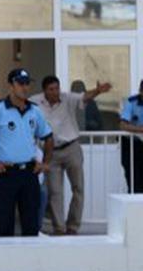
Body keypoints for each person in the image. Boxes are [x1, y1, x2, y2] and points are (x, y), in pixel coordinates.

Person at [0, 69, 54, 237]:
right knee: (4, 224)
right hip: (6, 173)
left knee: (31, 224)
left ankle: (29, 262)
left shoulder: (35, 110)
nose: (24, 88)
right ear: (11, 85)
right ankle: (3, 262)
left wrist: (45, 162)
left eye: (27, 83)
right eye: (20, 83)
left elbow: (49, 137)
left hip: (29, 172)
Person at [32, 76, 110, 235]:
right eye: (51, 90)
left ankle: (73, 227)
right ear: (44, 91)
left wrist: (97, 91)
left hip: (71, 147)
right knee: (55, 192)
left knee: (78, 188)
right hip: (50, 151)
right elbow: (20, 106)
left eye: (57, 88)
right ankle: (59, 228)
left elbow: (84, 97)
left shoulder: (67, 98)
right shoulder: (35, 102)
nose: (55, 92)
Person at [120, 81, 143, 193]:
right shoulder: (131, 102)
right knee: (134, 182)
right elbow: (123, 125)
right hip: (131, 145)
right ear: (140, 91)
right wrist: (140, 129)